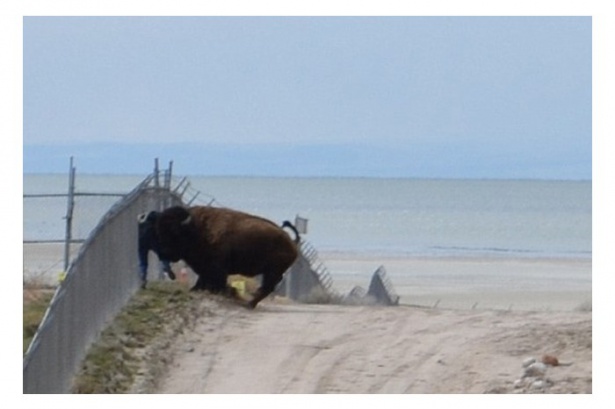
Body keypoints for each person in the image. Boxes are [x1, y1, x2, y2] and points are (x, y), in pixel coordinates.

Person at [138, 211, 175, 289]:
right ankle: (166, 267)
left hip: (141, 240)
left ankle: (143, 275)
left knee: (142, 260)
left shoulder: (141, 221)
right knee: (163, 254)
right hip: (154, 239)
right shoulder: (156, 220)